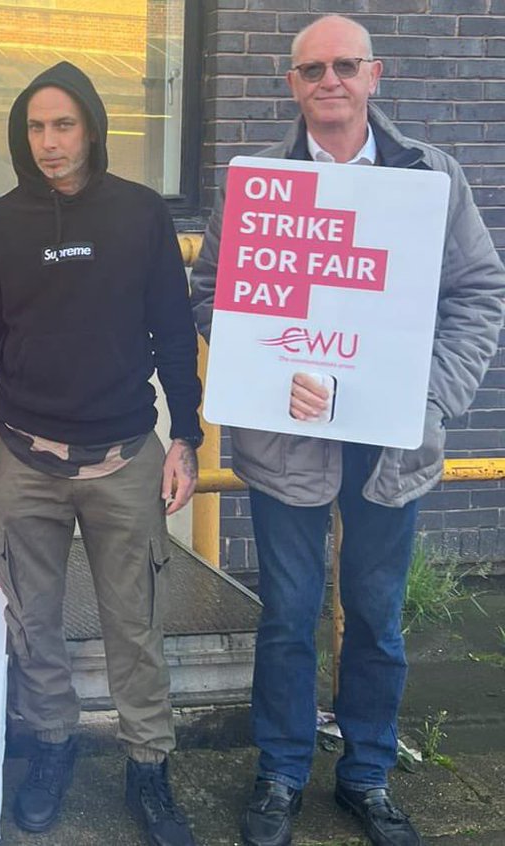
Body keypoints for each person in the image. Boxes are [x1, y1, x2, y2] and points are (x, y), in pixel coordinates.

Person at [190, 16, 505, 846]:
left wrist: (426, 398)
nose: (329, 80)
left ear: (375, 74)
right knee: (287, 616)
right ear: (291, 83)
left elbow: (478, 293)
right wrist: (263, 367)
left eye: (345, 65)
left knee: (375, 617)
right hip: (288, 444)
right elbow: (211, 296)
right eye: (311, 69)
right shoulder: (256, 184)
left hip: (391, 445)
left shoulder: (431, 177)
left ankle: (366, 774)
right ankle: (282, 772)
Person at [0, 61, 203, 844]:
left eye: (64, 124)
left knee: (132, 625)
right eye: (36, 127)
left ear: (93, 127)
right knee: (33, 625)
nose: (49, 141)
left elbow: (175, 332)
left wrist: (190, 438)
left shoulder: (141, 216)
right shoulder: (1, 223)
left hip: (126, 455)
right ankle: (51, 748)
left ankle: (150, 766)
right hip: (24, 457)